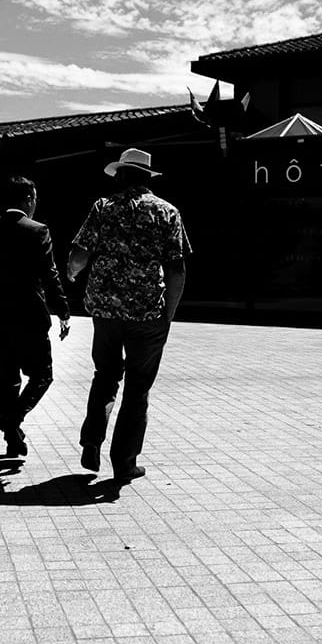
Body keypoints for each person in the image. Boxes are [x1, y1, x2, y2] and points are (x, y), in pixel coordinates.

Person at [65, 148, 191, 484]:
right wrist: (169, 314)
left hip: (105, 311)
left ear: (121, 176)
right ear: (148, 178)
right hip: (149, 313)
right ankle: (124, 462)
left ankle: (92, 438)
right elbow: (177, 269)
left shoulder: (103, 208)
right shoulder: (168, 212)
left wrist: (73, 273)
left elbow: (79, 256)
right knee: (138, 387)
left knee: (105, 375)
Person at [0, 175, 72, 459]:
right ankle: (12, 420)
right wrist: (63, 311)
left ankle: (12, 439)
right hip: (31, 316)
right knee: (43, 374)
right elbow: (50, 273)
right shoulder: (38, 230)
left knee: (8, 381)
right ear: (29, 200)